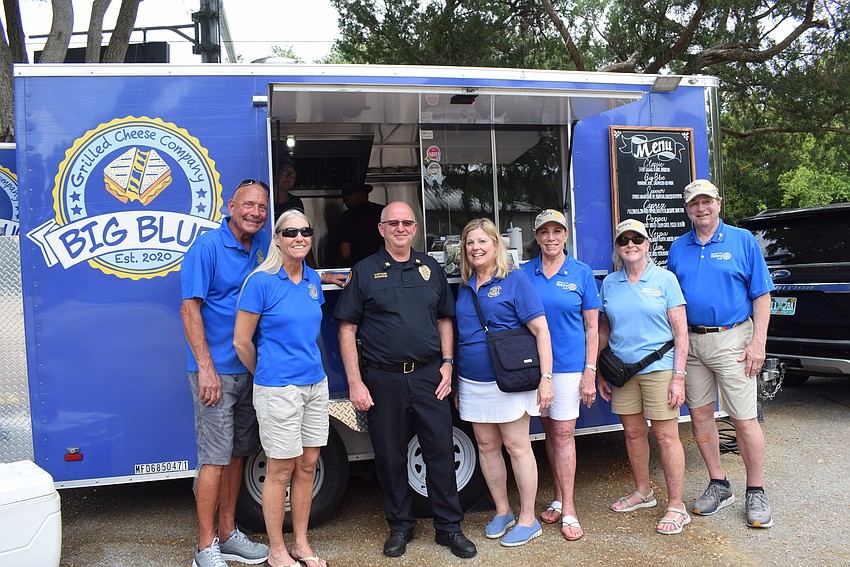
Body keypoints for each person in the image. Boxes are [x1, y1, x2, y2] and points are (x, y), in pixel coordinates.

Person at [333, 201, 477, 559]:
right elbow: (347, 328)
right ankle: (400, 526)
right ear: (380, 229)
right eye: (392, 223)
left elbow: (445, 318)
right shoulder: (364, 271)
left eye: (406, 223)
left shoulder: (431, 268)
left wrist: (448, 364)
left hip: (430, 376)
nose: (400, 228)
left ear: (415, 229)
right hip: (383, 380)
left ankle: (448, 528)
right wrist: (355, 382)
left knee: (440, 451)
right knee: (390, 456)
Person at [667, 179, 776, 528]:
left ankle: (755, 490)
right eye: (694, 204)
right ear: (687, 210)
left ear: (719, 203)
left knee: (743, 419)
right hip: (692, 344)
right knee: (699, 418)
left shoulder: (742, 240)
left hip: (733, 340)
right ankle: (719, 484)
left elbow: (762, 295)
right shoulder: (678, 247)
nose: (701, 209)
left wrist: (758, 343)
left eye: (707, 202)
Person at [180, 179, 272, 567]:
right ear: (231, 205)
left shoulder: (260, 250)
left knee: (237, 456)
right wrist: (206, 370)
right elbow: (189, 309)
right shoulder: (207, 248)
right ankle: (205, 546)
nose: (255, 213)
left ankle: (229, 533)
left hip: (247, 370)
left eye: (262, 208)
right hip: (215, 374)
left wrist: (328, 278)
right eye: (248, 205)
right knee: (215, 460)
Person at [233, 209, 329, 567]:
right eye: (290, 232)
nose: (299, 237)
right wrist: (268, 374)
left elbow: (309, 332)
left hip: (315, 384)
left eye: (305, 230)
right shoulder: (260, 281)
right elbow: (242, 342)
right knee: (280, 469)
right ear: (276, 238)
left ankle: (301, 544)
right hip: (278, 390)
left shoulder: (312, 279)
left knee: (308, 464)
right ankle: (276, 551)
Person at [455, 217, 554, 547]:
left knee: (517, 446)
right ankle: (503, 511)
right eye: (470, 243)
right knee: (486, 446)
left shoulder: (515, 280)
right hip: (472, 380)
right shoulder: (465, 285)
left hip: (510, 380)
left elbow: (541, 330)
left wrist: (546, 379)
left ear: (496, 245)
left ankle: (528, 518)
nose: (476, 248)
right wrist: (456, 381)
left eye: (483, 241)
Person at [597, 219, 690, 535]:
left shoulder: (665, 280)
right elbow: (605, 329)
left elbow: (681, 333)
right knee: (634, 434)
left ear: (648, 244)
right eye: (624, 240)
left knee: (666, 436)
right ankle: (643, 492)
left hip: (660, 370)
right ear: (618, 248)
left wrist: (679, 377)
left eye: (637, 239)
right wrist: (598, 371)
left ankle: (676, 505)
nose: (631, 244)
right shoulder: (609, 283)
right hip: (623, 372)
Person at [521, 209, 600, 541]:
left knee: (564, 435)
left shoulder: (581, 273)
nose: (551, 237)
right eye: (544, 232)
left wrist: (590, 373)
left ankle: (568, 508)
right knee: (550, 434)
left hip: (569, 367)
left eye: (557, 231)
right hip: (535, 369)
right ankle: (557, 496)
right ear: (536, 237)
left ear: (566, 235)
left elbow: (593, 327)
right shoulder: (523, 273)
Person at [337, 182, 384, 266]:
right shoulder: (384, 211)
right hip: (387, 267)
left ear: (348, 198)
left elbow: (345, 252)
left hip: (361, 269)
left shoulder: (348, 216)